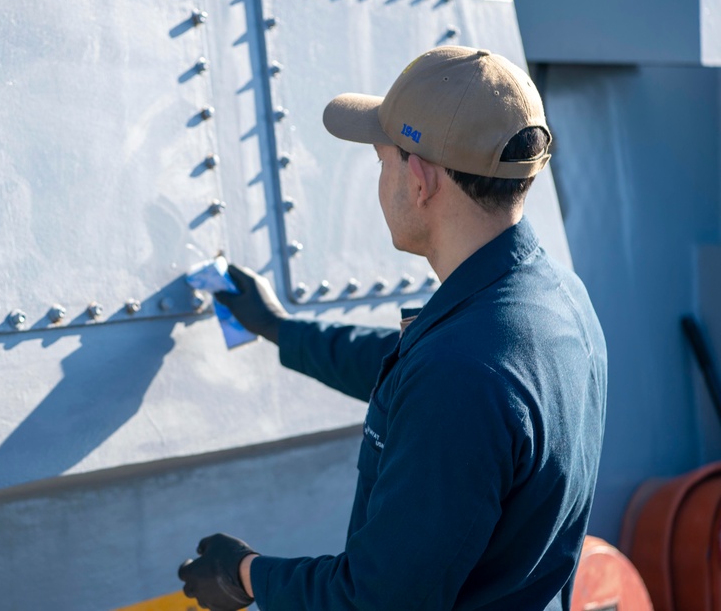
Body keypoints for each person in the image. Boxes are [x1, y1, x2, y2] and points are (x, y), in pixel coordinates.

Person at [177, 46, 608, 610]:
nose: (381, 178)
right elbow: (413, 370)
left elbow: (376, 601)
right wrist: (281, 329)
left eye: (382, 159)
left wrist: (242, 573)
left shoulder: (460, 374)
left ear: (420, 177)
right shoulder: (554, 298)